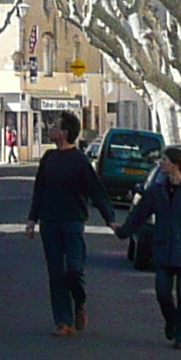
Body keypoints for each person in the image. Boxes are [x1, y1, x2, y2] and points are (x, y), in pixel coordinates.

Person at [24, 113, 119, 336]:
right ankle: (63, 322)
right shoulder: (48, 158)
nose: (51, 128)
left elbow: (96, 191)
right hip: (50, 223)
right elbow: (39, 190)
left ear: (65, 133)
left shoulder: (79, 160)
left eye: (55, 126)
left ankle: (80, 303)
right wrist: (32, 219)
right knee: (56, 273)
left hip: (73, 222)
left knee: (74, 270)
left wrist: (111, 219)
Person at [119, 148, 181, 349]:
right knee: (162, 293)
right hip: (163, 249)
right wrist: (124, 231)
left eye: (164, 160)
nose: (160, 163)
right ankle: (172, 321)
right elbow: (140, 213)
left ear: (175, 164)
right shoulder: (156, 190)